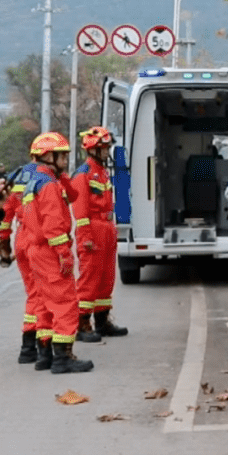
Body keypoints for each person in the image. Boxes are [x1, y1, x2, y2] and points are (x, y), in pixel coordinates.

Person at [22, 132, 94, 373]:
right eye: (62, 155)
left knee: (44, 303)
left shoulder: (37, 181)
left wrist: (61, 176)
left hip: (37, 251)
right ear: (49, 156)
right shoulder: (49, 186)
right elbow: (54, 225)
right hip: (51, 252)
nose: (66, 159)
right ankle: (63, 358)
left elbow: (72, 196)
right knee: (65, 303)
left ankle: (45, 355)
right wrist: (64, 253)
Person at [72, 126, 128, 341]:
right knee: (89, 279)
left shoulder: (102, 172)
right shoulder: (83, 175)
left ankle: (102, 322)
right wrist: (86, 238)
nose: (107, 152)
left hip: (106, 228)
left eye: (107, 147)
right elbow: (81, 212)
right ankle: (82, 324)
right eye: (103, 148)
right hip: (93, 230)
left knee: (106, 278)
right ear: (93, 149)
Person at [1, 158, 49, 367]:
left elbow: (5, 217)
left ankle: (28, 348)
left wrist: (4, 248)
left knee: (33, 292)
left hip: (21, 239)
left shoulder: (17, 178)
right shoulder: (45, 179)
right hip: (36, 239)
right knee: (40, 293)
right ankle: (36, 347)